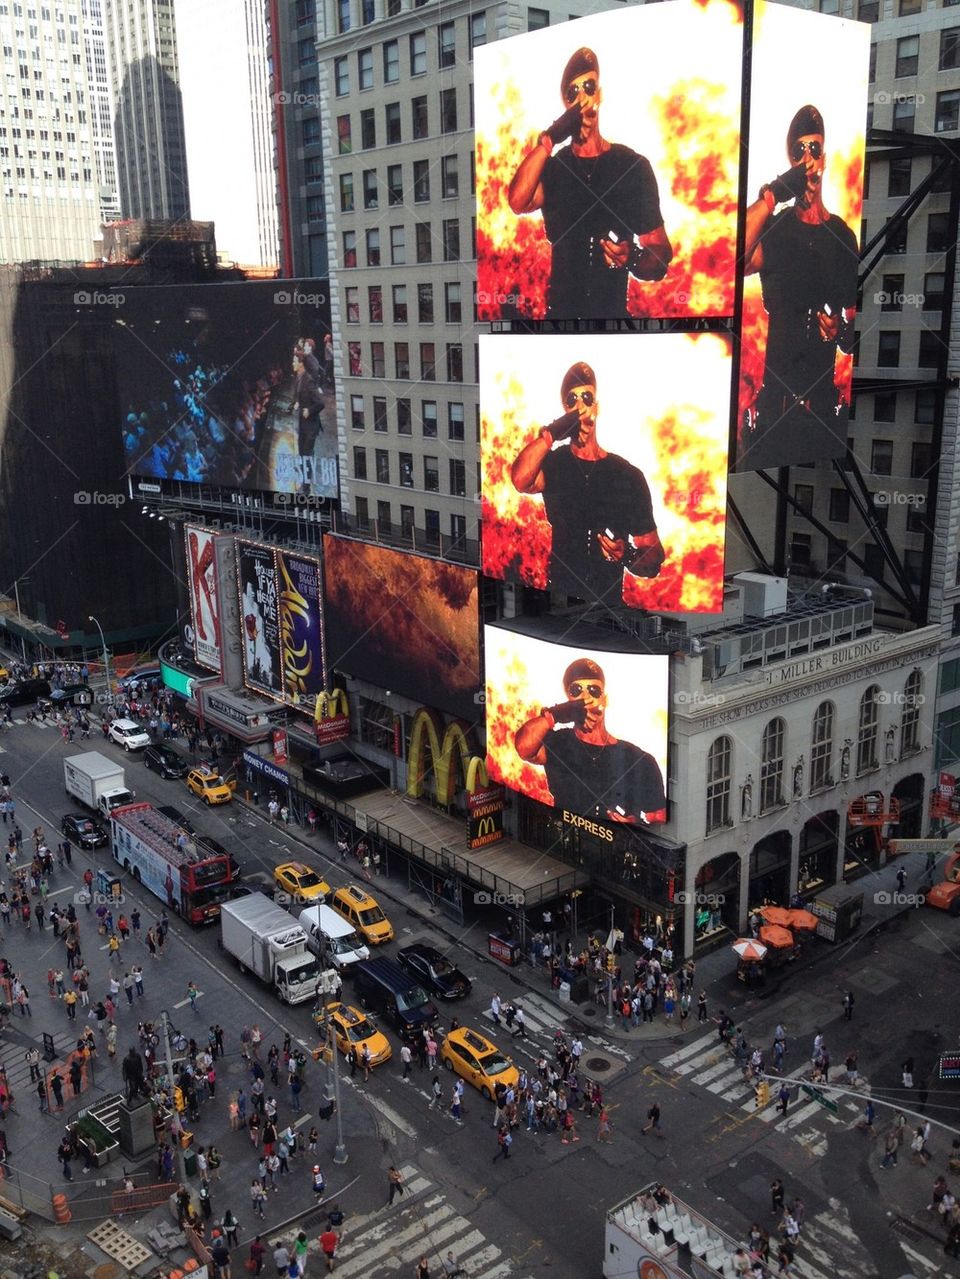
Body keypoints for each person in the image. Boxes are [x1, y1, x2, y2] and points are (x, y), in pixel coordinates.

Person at [507, 46, 672, 319]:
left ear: (600, 94)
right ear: (566, 105)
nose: (582, 98)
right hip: (560, 322)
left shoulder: (632, 166)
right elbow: (517, 201)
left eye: (589, 87)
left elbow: (660, 254)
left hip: (611, 320)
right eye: (573, 93)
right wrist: (550, 138)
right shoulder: (554, 168)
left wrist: (632, 257)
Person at [740, 105, 858, 470]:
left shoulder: (842, 236)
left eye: (814, 149)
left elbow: (857, 334)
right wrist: (774, 192)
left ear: (825, 159)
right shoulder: (775, 228)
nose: (807, 160)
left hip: (822, 414)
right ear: (791, 161)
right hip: (775, 411)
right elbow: (736, 259)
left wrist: (841, 330)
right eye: (799, 151)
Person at [511, 362, 665, 605]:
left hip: (606, 608)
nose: (580, 407)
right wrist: (552, 433)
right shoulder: (554, 463)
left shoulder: (627, 475)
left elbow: (654, 557)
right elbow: (520, 480)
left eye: (587, 398)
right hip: (558, 603)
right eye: (572, 400)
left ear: (597, 406)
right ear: (565, 408)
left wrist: (626, 554)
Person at [516, 656, 666, 824]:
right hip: (566, 834)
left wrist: (636, 823)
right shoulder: (558, 742)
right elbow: (523, 748)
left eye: (594, 690)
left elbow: (660, 818)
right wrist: (556, 714)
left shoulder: (639, 759)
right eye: (576, 690)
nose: (585, 697)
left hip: (617, 839)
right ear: (568, 698)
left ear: (605, 699)